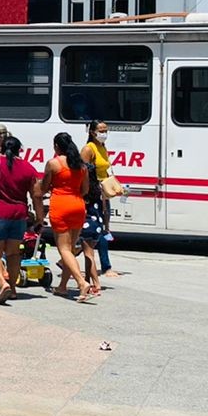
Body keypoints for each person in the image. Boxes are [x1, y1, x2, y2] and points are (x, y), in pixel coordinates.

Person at [0, 134, 44, 304]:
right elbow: (37, 195)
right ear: (20, 150)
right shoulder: (28, 167)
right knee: (13, 253)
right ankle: (12, 289)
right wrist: (39, 219)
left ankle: (2, 283)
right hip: (19, 215)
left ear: (1, 148)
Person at [43, 132, 95, 301]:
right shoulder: (81, 166)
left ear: (57, 146)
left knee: (64, 249)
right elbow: (85, 190)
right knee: (71, 249)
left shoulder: (53, 164)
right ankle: (63, 287)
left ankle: (81, 282)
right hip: (78, 205)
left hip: (60, 205)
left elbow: (44, 187)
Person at [81, 121, 119, 291]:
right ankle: (105, 267)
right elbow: (83, 172)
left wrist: (114, 184)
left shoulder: (102, 147)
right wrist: (87, 194)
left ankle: (67, 261)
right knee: (96, 230)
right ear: (92, 131)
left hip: (103, 192)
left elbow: (107, 169)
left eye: (106, 130)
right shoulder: (89, 148)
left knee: (101, 229)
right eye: (101, 130)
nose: (104, 133)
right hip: (93, 195)